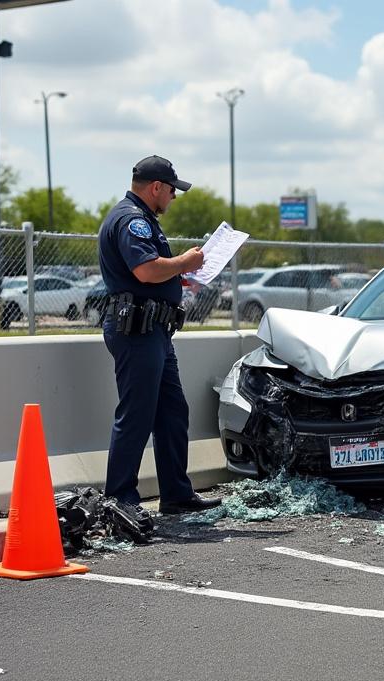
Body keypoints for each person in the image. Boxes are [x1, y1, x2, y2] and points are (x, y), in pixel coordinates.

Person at [97, 155, 221, 514]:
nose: (174, 197)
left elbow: (153, 273)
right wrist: (185, 262)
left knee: (172, 412)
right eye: (171, 190)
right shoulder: (132, 220)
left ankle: (176, 494)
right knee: (136, 414)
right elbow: (146, 270)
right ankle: (121, 501)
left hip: (154, 330)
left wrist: (180, 274)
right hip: (137, 330)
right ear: (155, 187)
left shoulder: (141, 218)